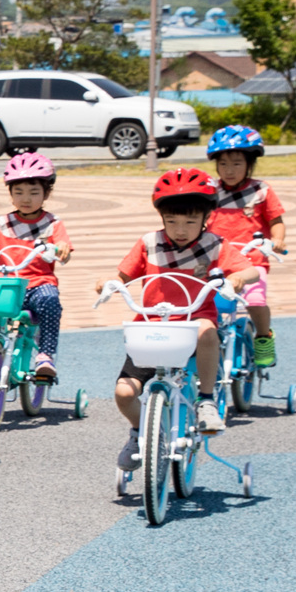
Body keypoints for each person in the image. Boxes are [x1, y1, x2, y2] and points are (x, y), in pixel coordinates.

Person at [105, 168, 236, 479]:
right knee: (124, 393)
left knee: (208, 331)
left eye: (190, 221)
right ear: (161, 216)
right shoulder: (149, 243)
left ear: (206, 217)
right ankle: (139, 432)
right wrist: (109, 282)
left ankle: (205, 401)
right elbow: (123, 274)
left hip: (192, 324)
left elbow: (247, 270)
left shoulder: (214, 244)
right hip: (151, 328)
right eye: (172, 221)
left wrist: (238, 279)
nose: (180, 229)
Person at [0, 150, 73, 384]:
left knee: (50, 301)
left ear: (47, 193)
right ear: (10, 194)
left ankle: (45, 355)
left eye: (34, 192)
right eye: (19, 192)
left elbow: (64, 251)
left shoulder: (52, 224)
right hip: (8, 286)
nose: (26, 198)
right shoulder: (1, 223)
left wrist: (62, 248)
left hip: (37, 285)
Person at [205, 124, 286, 371]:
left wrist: (278, 241)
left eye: (237, 163)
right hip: (218, 261)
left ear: (250, 163)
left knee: (255, 300)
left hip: (252, 261)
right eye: (223, 164)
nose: (229, 170)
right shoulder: (211, 191)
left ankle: (263, 337)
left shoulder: (260, 191)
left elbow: (276, 221)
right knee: (203, 301)